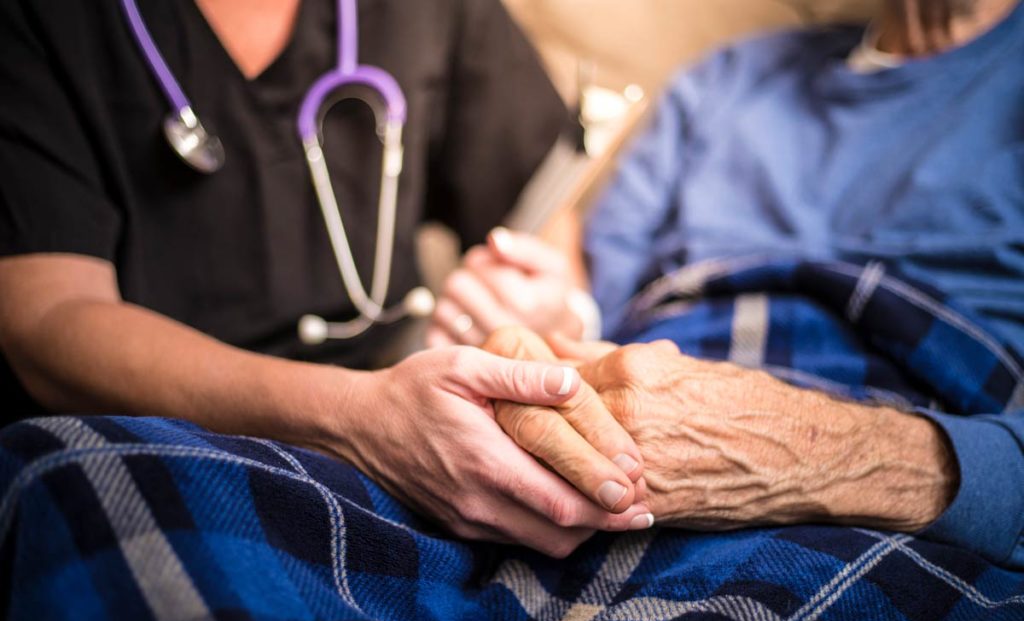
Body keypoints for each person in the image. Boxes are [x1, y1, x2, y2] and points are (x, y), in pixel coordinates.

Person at [0, 0, 655, 558]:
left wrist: (548, 304)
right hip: (143, 446)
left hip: (413, 426)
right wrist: (358, 418)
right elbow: (47, 319)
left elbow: (541, 216)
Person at [432, 0, 1024, 568]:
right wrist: (550, 319)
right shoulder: (726, 79)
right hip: (645, 422)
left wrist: (823, 455)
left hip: (911, 462)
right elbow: (598, 307)